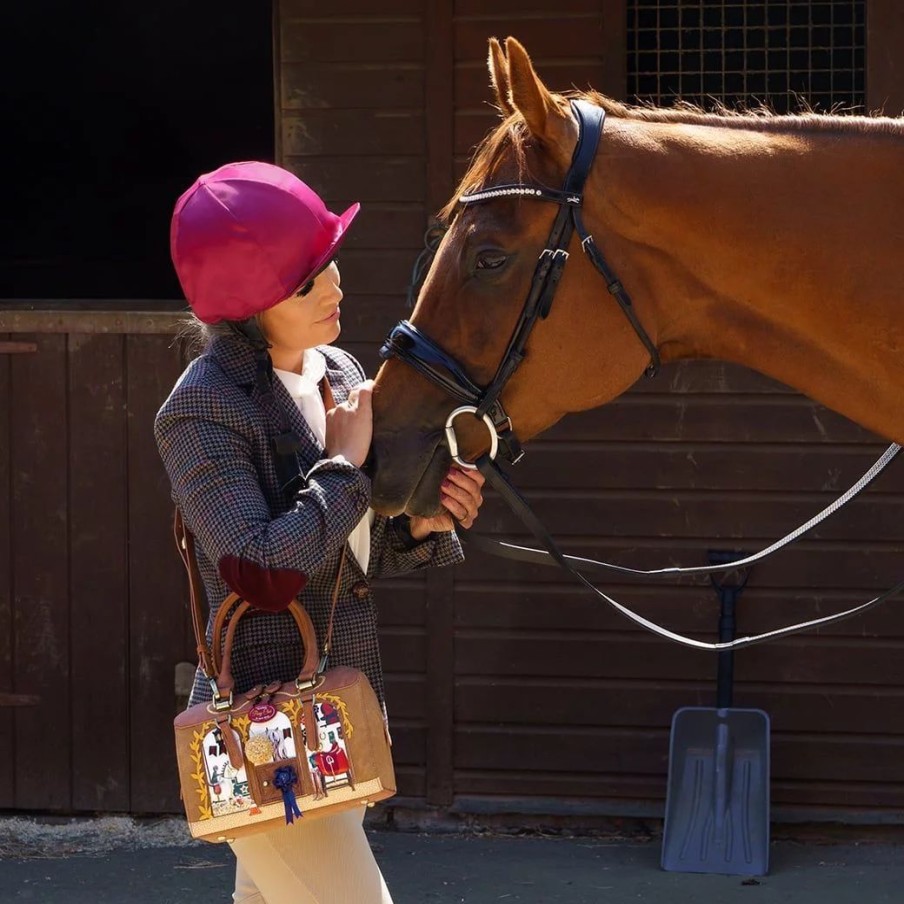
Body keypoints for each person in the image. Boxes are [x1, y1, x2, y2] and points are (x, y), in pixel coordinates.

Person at [155, 161, 485, 904]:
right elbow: (261, 570)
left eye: (328, 262)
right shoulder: (199, 409)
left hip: (339, 717)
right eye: (306, 282)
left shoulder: (338, 372)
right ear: (247, 304)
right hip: (265, 727)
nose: (334, 285)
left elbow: (344, 554)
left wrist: (421, 525)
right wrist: (343, 462)